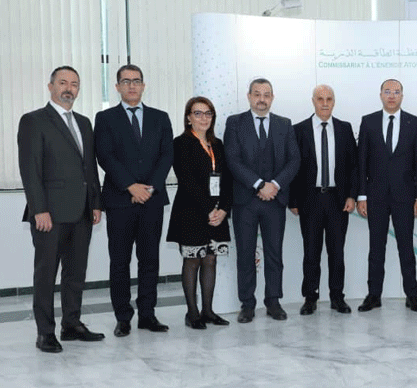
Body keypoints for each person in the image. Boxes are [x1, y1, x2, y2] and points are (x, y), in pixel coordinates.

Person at [18, 66, 104, 353]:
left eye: (74, 84)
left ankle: (72, 324)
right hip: (50, 214)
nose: (69, 88)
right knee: (46, 275)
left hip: (82, 211)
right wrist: (39, 209)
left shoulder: (84, 122)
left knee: (75, 273)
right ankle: (45, 333)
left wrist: (96, 203)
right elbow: (30, 169)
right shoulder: (33, 121)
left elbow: (89, 168)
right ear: (51, 86)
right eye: (63, 82)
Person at [95, 64, 174, 337]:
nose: (132, 85)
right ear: (117, 86)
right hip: (120, 200)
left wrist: (149, 188)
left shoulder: (160, 117)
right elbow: (105, 156)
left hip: (152, 200)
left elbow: (167, 155)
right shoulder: (105, 118)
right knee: (120, 261)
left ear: (143, 85)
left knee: (149, 260)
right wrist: (130, 186)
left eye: (136, 81)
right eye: (126, 81)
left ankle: (147, 315)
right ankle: (123, 317)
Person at [224, 78, 300, 322]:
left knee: (274, 253)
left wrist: (274, 185)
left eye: (266, 94)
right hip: (245, 201)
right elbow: (232, 159)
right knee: (245, 254)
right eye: (257, 94)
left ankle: (273, 301)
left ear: (272, 98)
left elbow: (294, 160)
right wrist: (259, 184)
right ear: (249, 96)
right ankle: (247, 304)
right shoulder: (235, 123)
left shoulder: (284, 124)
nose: (261, 99)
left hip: (274, 201)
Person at [356, 79, 417, 313]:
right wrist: (362, 196)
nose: (392, 96)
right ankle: (373, 295)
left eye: (396, 92)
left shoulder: (414, 123)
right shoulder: (368, 122)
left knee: (406, 248)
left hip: (405, 196)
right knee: (376, 248)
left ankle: (412, 295)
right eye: (387, 91)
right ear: (381, 95)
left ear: (402, 96)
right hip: (375, 196)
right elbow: (361, 162)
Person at [289, 85, 358, 315]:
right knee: (311, 252)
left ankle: (337, 297)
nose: (325, 103)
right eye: (320, 99)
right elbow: (293, 167)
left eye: (329, 99)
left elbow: (353, 166)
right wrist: (293, 200)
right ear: (313, 101)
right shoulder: (299, 130)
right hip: (310, 200)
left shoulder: (345, 128)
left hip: (338, 200)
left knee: (337, 253)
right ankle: (310, 297)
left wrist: (352, 195)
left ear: (334, 101)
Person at [166, 97, 233, 329]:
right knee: (193, 260)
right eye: (198, 113)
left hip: (217, 212)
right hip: (191, 211)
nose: (204, 118)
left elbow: (228, 180)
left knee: (211, 259)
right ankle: (192, 313)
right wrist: (209, 209)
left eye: (208, 113)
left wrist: (224, 209)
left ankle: (208, 311)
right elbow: (187, 180)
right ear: (188, 118)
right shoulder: (180, 143)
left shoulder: (218, 144)